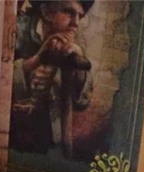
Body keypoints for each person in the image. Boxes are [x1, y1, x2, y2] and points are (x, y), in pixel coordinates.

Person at [11, 0, 94, 158]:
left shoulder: (74, 41)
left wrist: (78, 66)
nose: (76, 23)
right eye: (69, 12)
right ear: (46, 12)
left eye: (80, 16)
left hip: (52, 143)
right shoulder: (17, 31)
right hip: (14, 139)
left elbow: (83, 102)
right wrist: (37, 60)